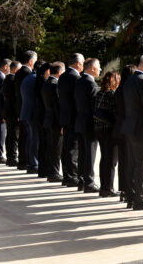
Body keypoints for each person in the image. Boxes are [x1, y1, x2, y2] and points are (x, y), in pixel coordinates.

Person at [123, 53, 143, 210]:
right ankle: (140, 199)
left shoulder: (130, 80)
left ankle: (131, 196)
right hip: (140, 129)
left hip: (129, 127)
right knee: (142, 165)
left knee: (132, 164)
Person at [74, 58, 101, 193]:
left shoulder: (79, 81)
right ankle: (89, 181)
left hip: (80, 120)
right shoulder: (91, 84)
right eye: (98, 67)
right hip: (89, 122)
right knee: (90, 153)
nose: (100, 69)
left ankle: (81, 180)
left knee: (83, 153)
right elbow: (95, 107)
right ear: (91, 68)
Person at [59, 53, 84, 188]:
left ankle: (66, 175)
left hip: (65, 116)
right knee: (73, 149)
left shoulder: (63, 76)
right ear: (78, 63)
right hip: (73, 117)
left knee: (67, 147)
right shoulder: (75, 77)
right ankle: (71, 176)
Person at [93, 71, 120, 197]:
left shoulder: (100, 93)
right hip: (109, 129)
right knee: (111, 160)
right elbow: (115, 113)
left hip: (98, 128)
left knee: (104, 158)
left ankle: (103, 186)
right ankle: (108, 188)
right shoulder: (112, 94)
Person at [114, 64, 136, 203]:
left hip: (119, 127)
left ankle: (123, 189)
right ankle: (130, 190)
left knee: (122, 161)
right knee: (131, 161)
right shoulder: (130, 90)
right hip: (129, 127)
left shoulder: (118, 90)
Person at [42, 61, 64, 183]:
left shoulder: (46, 83)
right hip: (55, 120)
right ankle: (54, 173)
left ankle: (51, 171)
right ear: (60, 72)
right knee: (56, 148)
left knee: (51, 147)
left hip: (48, 118)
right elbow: (57, 106)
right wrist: (61, 123)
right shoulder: (55, 85)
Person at [15, 50, 37, 170]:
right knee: (28, 137)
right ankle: (26, 161)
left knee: (25, 137)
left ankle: (24, 161)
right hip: (26, 109)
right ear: (30, 61)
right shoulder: (27, 73)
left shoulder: (19, 72)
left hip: (22, 109)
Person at [20, 57, 40, 174]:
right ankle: (34, 163)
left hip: (26, 112)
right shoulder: (35, 79)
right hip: (32, 112)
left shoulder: (28, 78)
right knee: (34, 139)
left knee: (30, 138)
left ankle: (31, 162)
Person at [34, 61, 51, 178]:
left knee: (43, 144)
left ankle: (42, 170)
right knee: (45, 144)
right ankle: (44, 169)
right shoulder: (44, 83)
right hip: (43, 115)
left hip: (40, 115)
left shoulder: (39, 81)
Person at [3, 61, 21, 166]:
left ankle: (10, 156)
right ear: (15, 70)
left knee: (10, 135)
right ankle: (12, 157)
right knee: (14, 136)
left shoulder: (7, 78)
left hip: (8, 111)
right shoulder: (12, 79)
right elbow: (15, 98)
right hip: (13, 112)